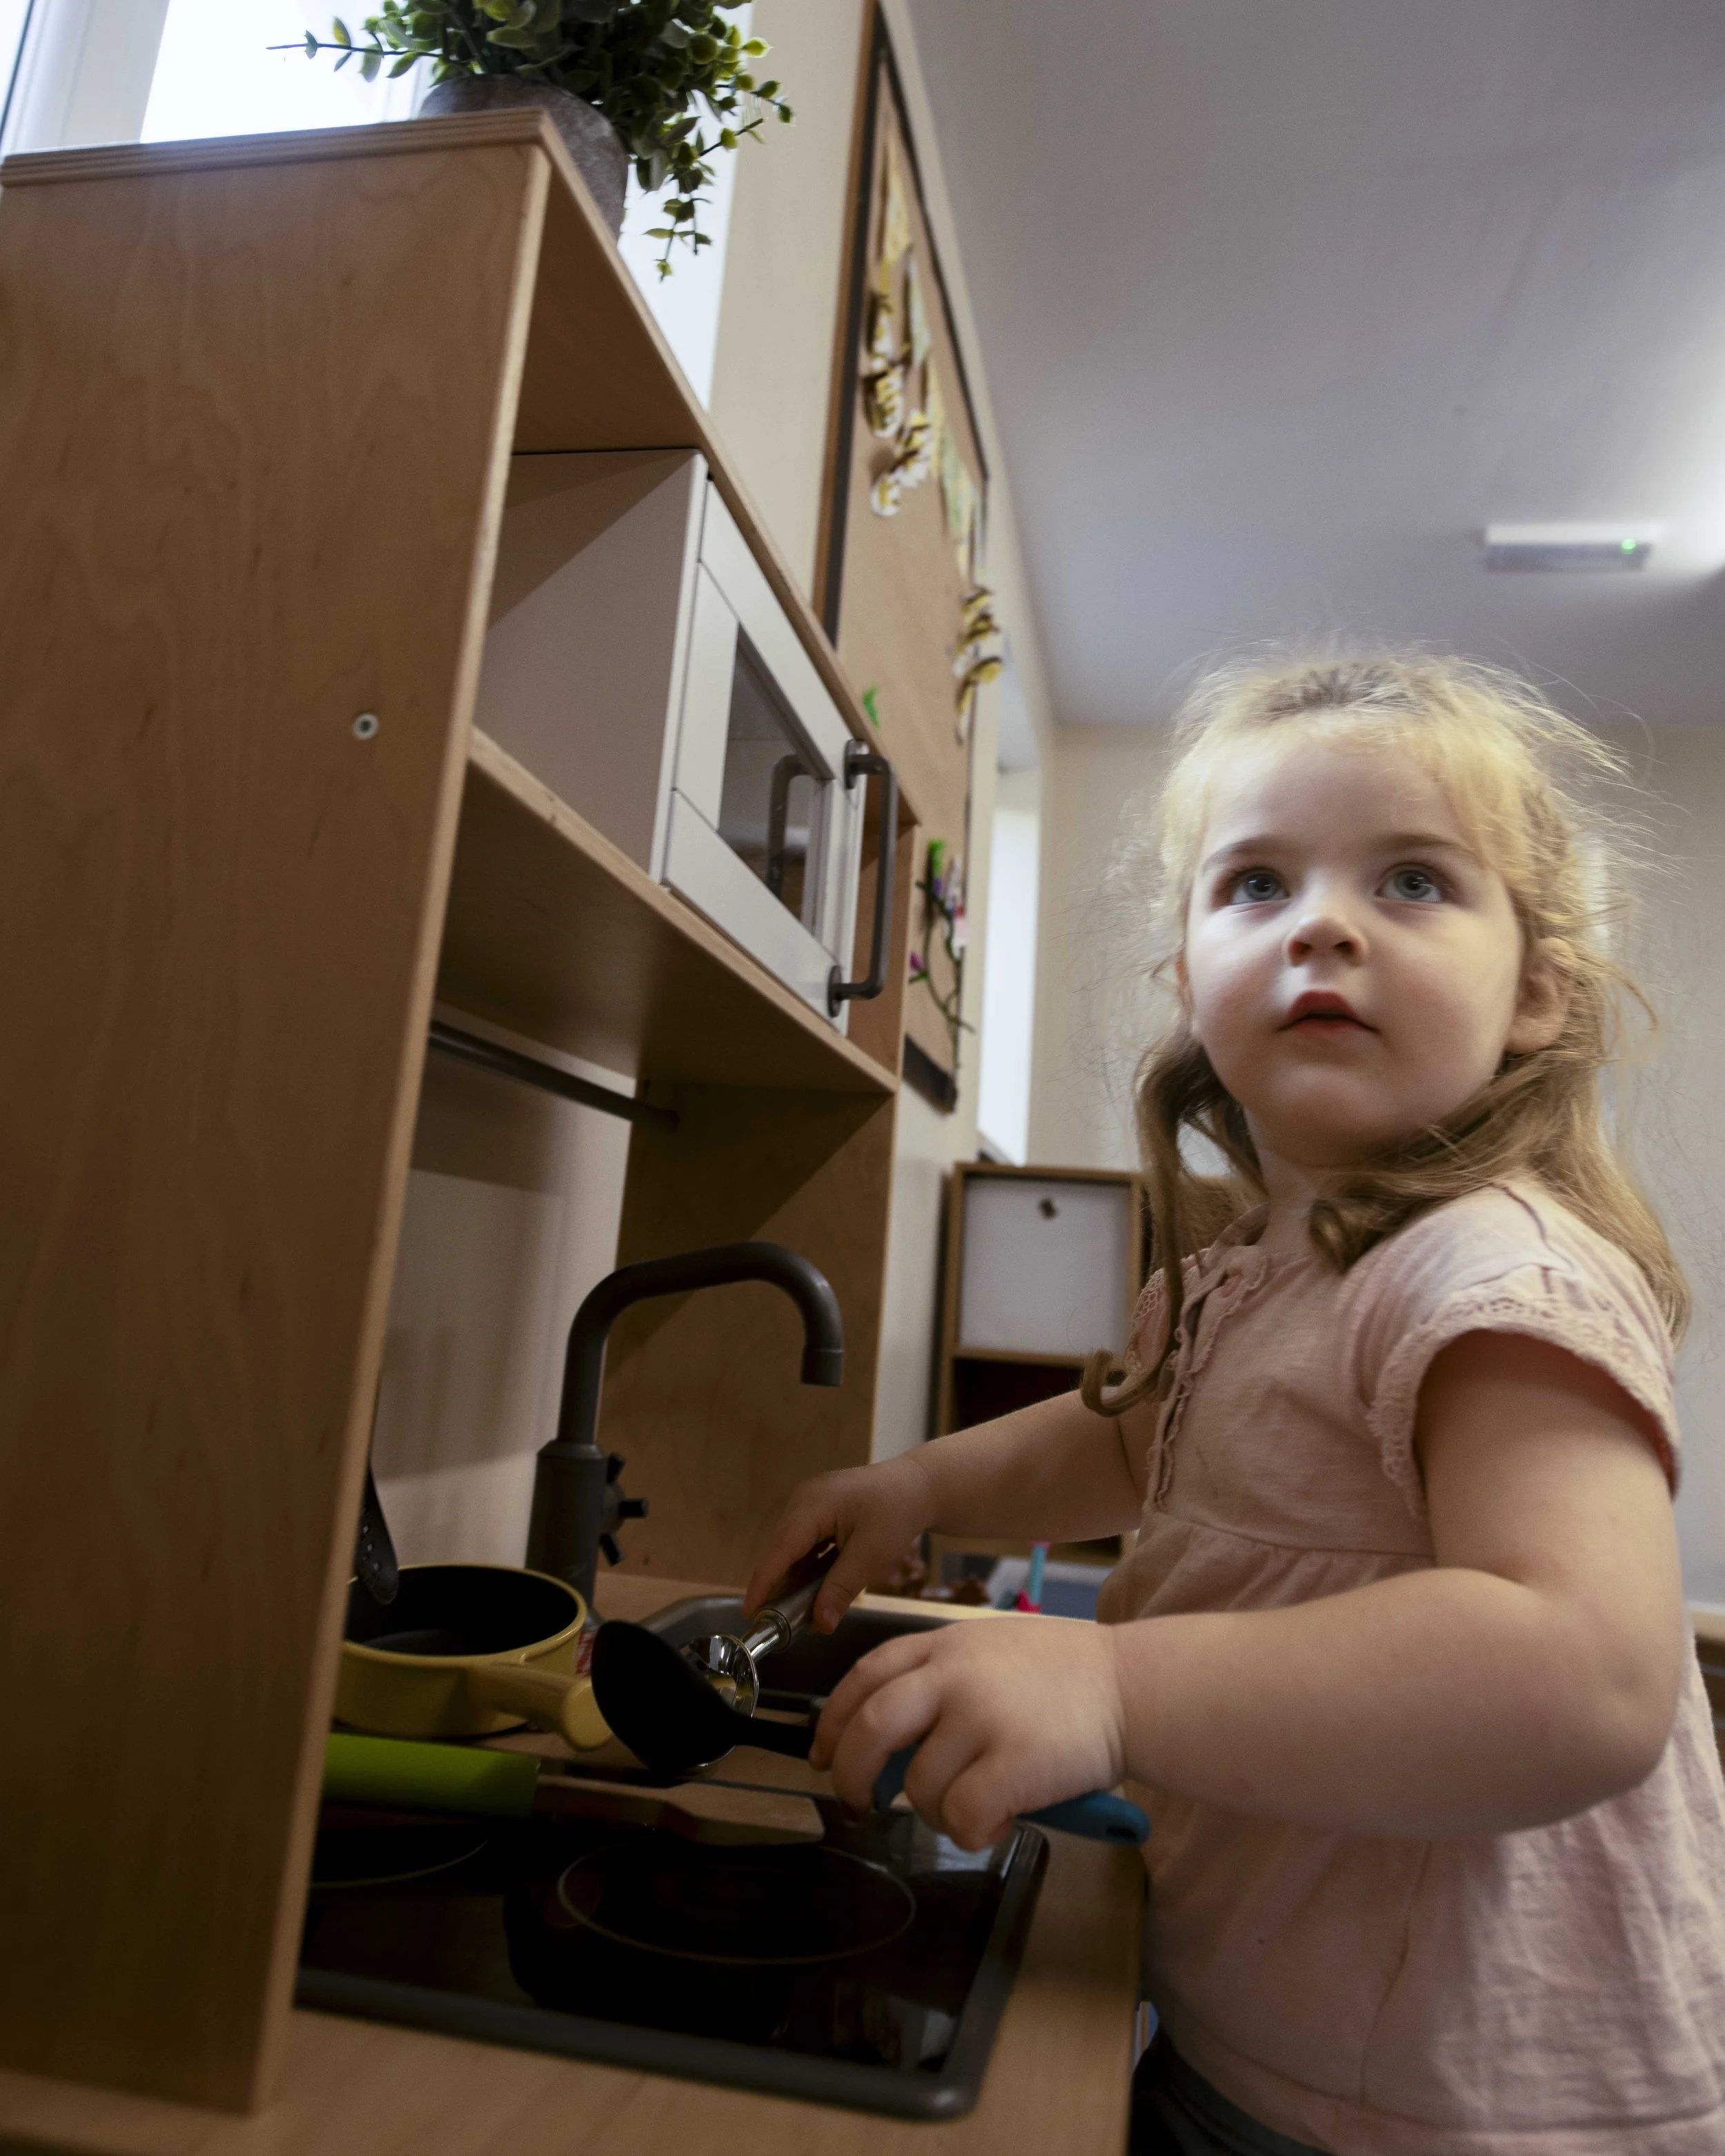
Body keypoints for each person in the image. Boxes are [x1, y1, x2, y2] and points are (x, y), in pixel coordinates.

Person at [742, 653, 1725, 2155]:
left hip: (1462, 2109)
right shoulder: (1251, 1274)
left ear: (1535, 991)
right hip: (1263, 2034)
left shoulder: (1490, 1271)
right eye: (1256, 884)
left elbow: (1584, 1674)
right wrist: (921, 1485)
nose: (1321, 922)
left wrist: (1114, 1688)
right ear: (1189, 985)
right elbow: (1125, 1440)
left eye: (1411, 880)